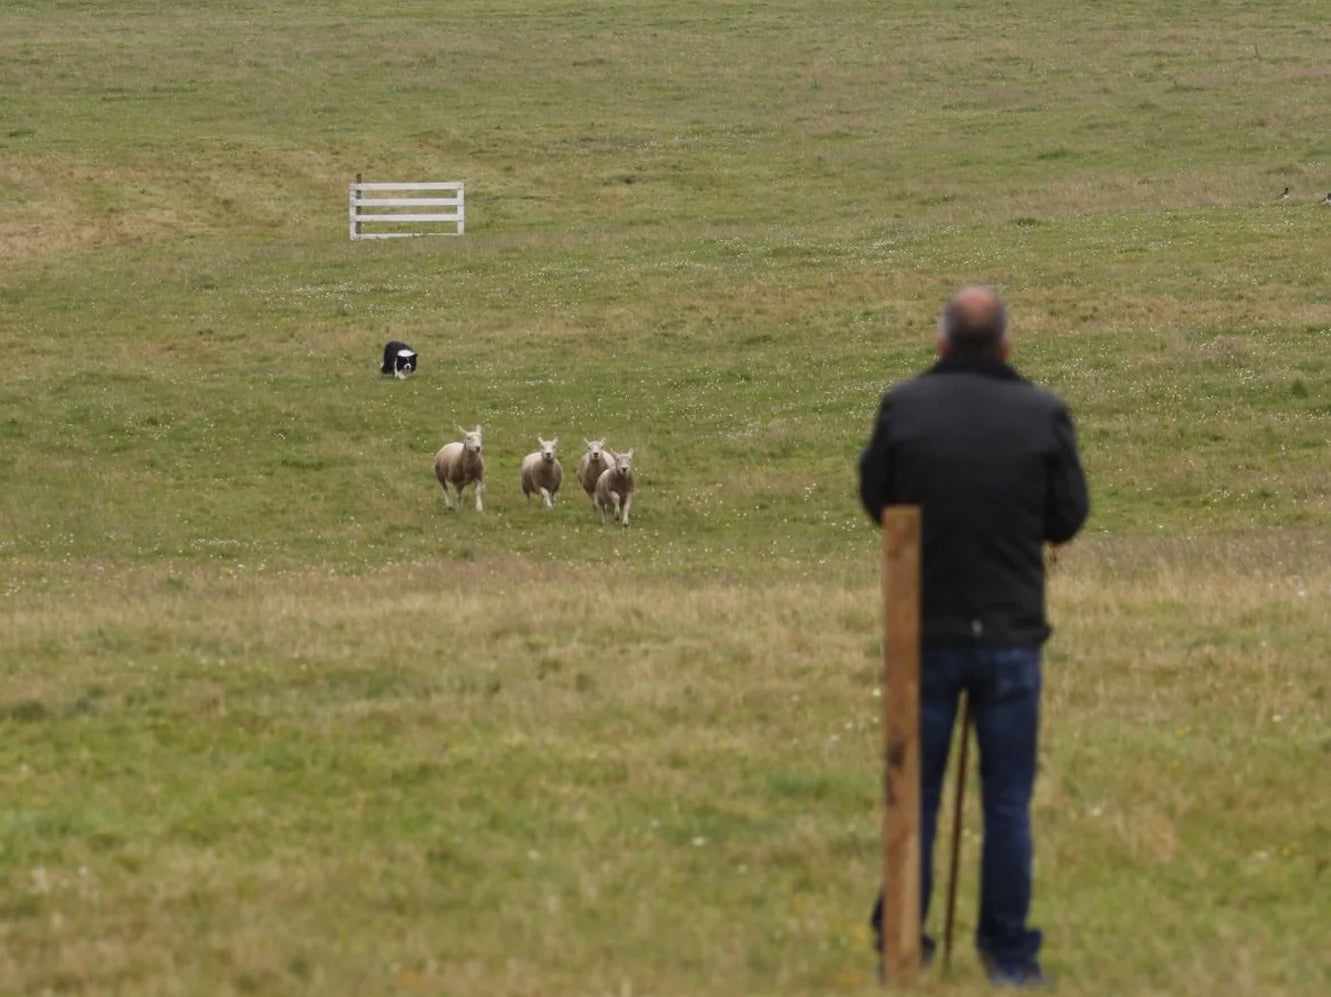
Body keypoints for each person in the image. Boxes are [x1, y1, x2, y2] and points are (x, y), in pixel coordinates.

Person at [858, 285, 1089, 987]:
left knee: (914, 793)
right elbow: (1067, 516)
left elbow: (876, 498)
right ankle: (1009, 953)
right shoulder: (1042, 413)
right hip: (1011, 634)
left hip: (923, 630)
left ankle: (901, 938)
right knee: (1006, 799)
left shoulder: (903, 407)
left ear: (940, 343)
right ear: (1007, 346)